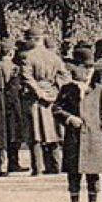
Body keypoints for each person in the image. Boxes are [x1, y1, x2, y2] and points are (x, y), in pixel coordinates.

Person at [54, 45, 102, 202]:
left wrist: (101, 130)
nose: (88, 71)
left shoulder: (99, 89)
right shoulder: (67, 89)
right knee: (74, 176)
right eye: (84, 67)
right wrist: (69, 118)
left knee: (93, 177)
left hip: (94, 139)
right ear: (75, 68)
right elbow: (56, 109)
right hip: (74, 139)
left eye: (90, 67)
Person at [19, 29, 68, 177]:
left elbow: (26, 77)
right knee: (52, 132)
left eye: (27, 39)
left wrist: (40, 93)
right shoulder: (54, 57)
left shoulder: (27, 57)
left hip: (35, 99)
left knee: (35, 134)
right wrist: (56, 91)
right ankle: (55, 166)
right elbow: (65, 76)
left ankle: (37, 168)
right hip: (52, 97)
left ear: (33, 40)